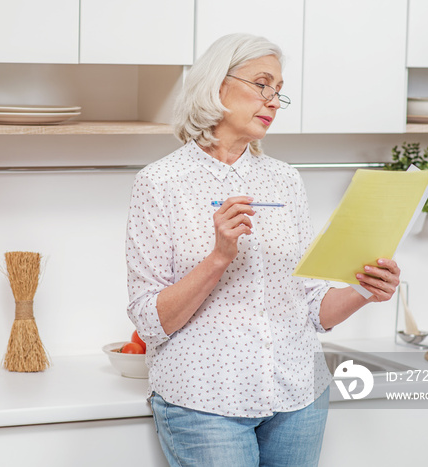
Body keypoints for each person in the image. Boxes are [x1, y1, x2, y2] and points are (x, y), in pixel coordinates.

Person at [125, 33, 400, 467]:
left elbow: (310, 307)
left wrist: (365, 289)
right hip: (206, 401)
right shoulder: (160, 183)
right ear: (217, 85)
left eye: (279, 92)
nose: (273, 101)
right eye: (262, 84)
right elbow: (148, 320)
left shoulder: (286, 179)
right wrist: (218, 257)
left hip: (299, 396)